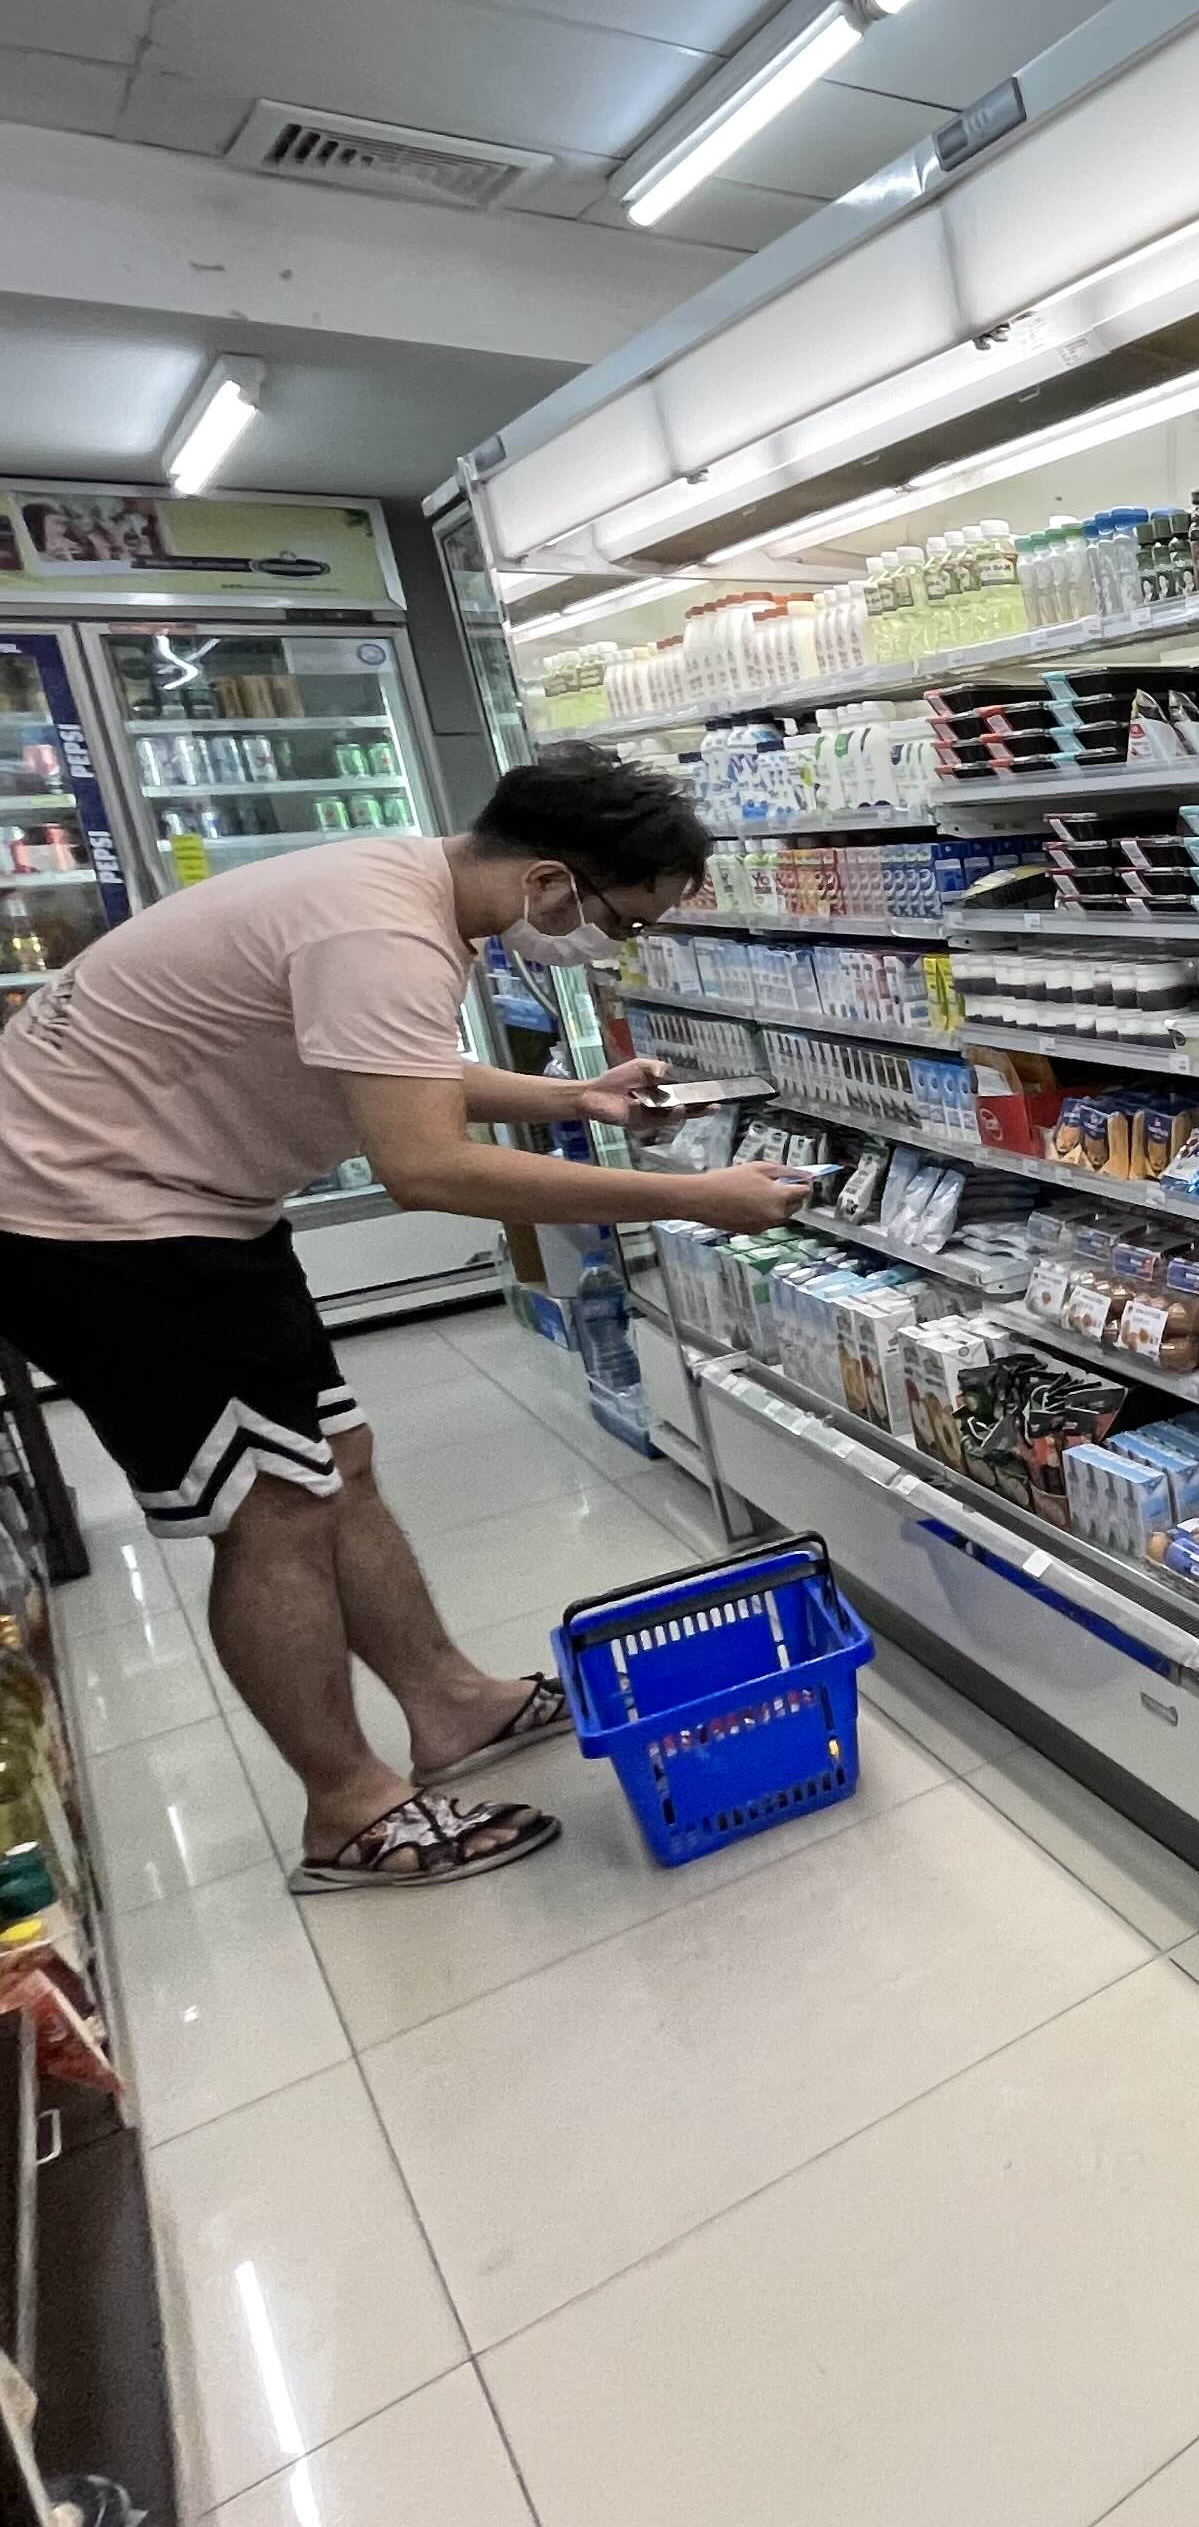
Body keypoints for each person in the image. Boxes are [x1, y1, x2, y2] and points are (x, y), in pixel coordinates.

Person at [0, 745, 816, 1892]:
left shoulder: (399, 887)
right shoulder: (382, 931)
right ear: (549, 881)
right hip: (97, 1225)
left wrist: (570, 1097)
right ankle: (347, 1812)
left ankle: (450, 1704)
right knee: (272, 1510)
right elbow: (425, 1166)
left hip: (187, 1204)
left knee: (338, 1461)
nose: (616, 945)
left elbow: (388, 1061)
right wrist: (692, 1199)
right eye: (624, 922)